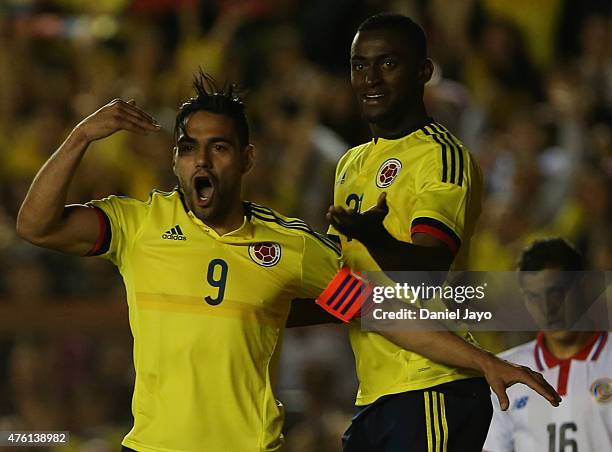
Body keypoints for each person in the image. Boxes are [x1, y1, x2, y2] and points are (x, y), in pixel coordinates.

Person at [17, 70, 559, 450]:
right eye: (188, 147)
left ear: (247, 158)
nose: (201, 159)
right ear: (176, 161)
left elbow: (381, 312)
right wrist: (82, 135)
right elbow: (35, 225)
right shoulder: (138, 225)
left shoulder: (291, 247)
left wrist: (480, 359)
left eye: (219, 147)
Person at [324, 13, 506, 451]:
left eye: (388, 64)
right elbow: (342, 291)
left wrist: (376, 238)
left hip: (431, 384)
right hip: (376, 393)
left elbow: (428, 268)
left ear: (423, 71)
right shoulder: (350, 164)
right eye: (359, 65)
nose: (370, 79)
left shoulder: (441, 157)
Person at [483, 238, 611, 452]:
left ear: (585, 287)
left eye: (556, 293)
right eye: (534, 297)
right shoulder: (505, 371)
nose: (547, 308)